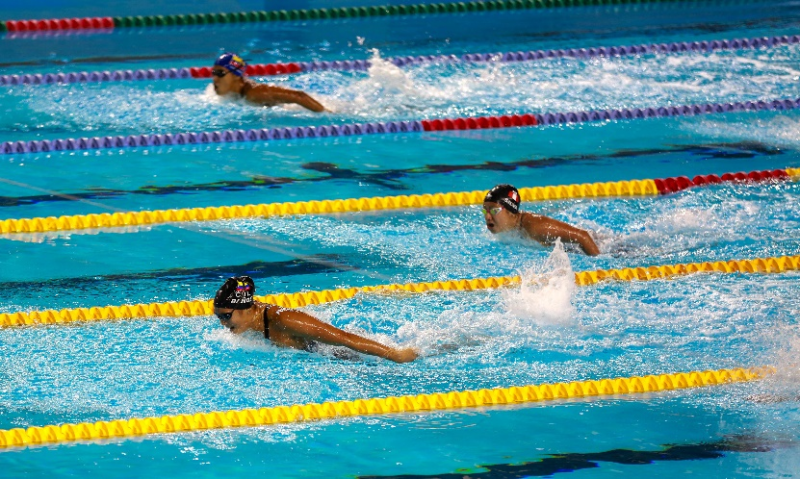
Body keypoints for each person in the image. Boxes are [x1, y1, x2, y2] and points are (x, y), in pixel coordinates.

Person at [212, 276, 418, 363]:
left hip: (351, 354)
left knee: (423, 352)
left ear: (245, 308)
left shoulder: (284, 319)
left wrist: (395, 355)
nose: (222, 323)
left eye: (225, 316)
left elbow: (343, 338)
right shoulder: (250, 322)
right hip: (334, 357)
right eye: (218, 316)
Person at [483, 184, 601, 256]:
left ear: (511, 211)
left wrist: (599, 269)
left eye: (494, 211)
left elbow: (583, 237)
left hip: (605, 247)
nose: (488, 217)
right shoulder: (507, 230)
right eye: (485, 211)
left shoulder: (534, 227)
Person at [211, 53, 326, 112]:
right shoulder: (223, 91)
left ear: (236, 76)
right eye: (214, 72)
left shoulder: (255, 94)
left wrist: (325, 114)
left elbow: (299, 96)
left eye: (220, 73)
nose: (214, 78)